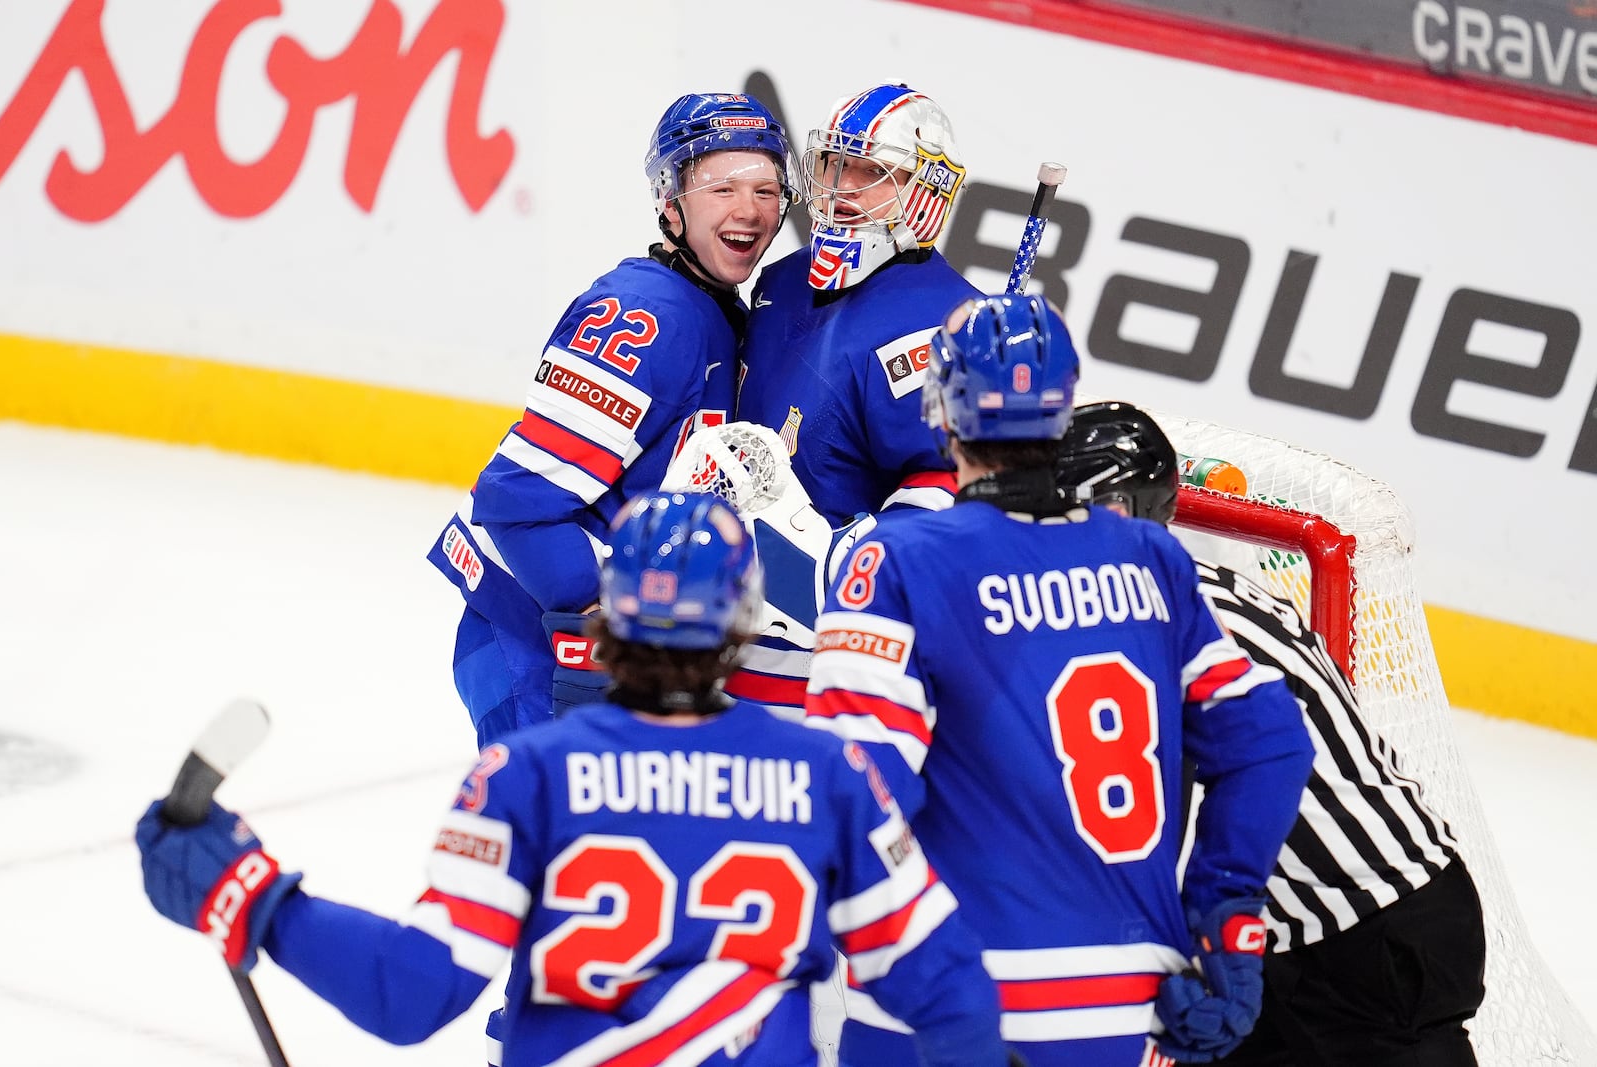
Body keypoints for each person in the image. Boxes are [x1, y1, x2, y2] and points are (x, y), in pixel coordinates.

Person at [135, 491, 1016, 1067]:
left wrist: (250, 898)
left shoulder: (527, 775)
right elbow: (953, 997)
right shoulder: (831, 778)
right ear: (746, 626)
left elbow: (409, 993)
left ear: (607, 621)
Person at [803, 294, 1317, 1066]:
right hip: (1127, 1011)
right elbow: (1271, 741)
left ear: (941, 411)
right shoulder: (1151, 558)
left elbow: (850, 791)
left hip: (952, 1001)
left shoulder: (900, 561)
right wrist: (1226, 915)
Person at [1056, 400, 1487, 1067]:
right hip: (1306, 934)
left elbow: (1151, 824)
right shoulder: (1182, 588)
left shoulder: (1155, 621)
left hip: (1379, 934)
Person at [428, 92, 796, 747]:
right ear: (669, 201)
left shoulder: (719, 312)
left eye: (766, 189)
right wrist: (609, 624)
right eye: (721, 187)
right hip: (539, 641)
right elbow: (517, 500)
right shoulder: (645, 316)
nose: (749, 210)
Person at [728, 81, 979, 715]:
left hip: (831, 653)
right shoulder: (780, 281)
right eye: (834, 164)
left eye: (870, 173)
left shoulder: (939, 323)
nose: (841, 186)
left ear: (922, 194)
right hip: (723, 623)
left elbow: (947, 482)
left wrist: (846, 568)